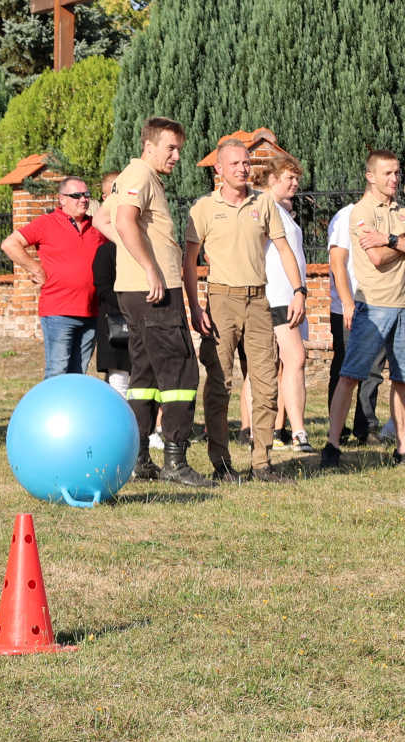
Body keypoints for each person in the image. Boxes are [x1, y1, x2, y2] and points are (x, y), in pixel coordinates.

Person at [102, 117, 213, 485]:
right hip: (153, 290)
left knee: (145, 374)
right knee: (180, 371)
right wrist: (149, 267)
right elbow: (123, 221)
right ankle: (175, 462)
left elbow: (103, 218)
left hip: (138, 290)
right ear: (149, 147)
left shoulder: (131, 177)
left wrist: (137, 260)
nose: (177, 155)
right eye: (171, 148)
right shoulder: (140, 176)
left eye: (179, 148)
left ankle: (139, 459)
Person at [183, 140, 302, 483]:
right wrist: (195, 306)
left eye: (246, 163)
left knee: (266, 383)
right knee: (220, 383)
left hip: (259, 301)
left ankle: (262, 464)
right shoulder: (204, 208)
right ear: (218, 169)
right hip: (221, 300)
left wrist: (299, 291)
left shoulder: (263, 202)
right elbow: (189, 262)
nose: (242, 168)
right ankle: (221, 464)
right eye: (234, 163)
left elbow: (283, 248)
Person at [321, 150, 405, 469]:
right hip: (373, 306)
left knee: (403, 378)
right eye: (387, 173)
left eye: (397, 173)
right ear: (370, 176)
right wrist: (401, 244)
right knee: (351, 374)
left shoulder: (404, 211)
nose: (394, 179)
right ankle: (331, 444)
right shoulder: (361, 212)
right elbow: (377, 258)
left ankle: (404, 447)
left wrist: (390, 239)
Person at [2, 176, 104, 379]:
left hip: (91, 311)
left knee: (79, 374)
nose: (83, 199)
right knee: (58, 372)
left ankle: (73, 411)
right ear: (62, 199)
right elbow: (10, 244)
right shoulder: (46, 223)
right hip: (59, 312)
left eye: (86, 195)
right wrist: (36, 269)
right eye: (77, 195)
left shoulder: (98, 227)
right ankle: (50, 411)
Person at [254, 155, 315, 453]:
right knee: (295, 358)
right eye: (289, 178)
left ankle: (277, 430)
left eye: (296, 179)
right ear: (272, 179)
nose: (295, 183)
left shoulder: (282, 211)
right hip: (276, 295)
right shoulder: (263, 207)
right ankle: (298, 431)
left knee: (284, 365)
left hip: (290, 295)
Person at [324, 200, 378, 446]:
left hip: (377, 303)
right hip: (348, 306)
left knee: (373, 370)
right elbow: (337, 261)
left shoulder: (387, 214)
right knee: (345, 368)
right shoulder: (346, 215)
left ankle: (365, 426)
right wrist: (346, 301)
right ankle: (338, 428)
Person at [90, 172, 133, 400]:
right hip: (116, 323)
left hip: (139, 323)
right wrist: (128, 306)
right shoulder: (106, 251)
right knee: (119, 382)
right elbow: (103, 288)